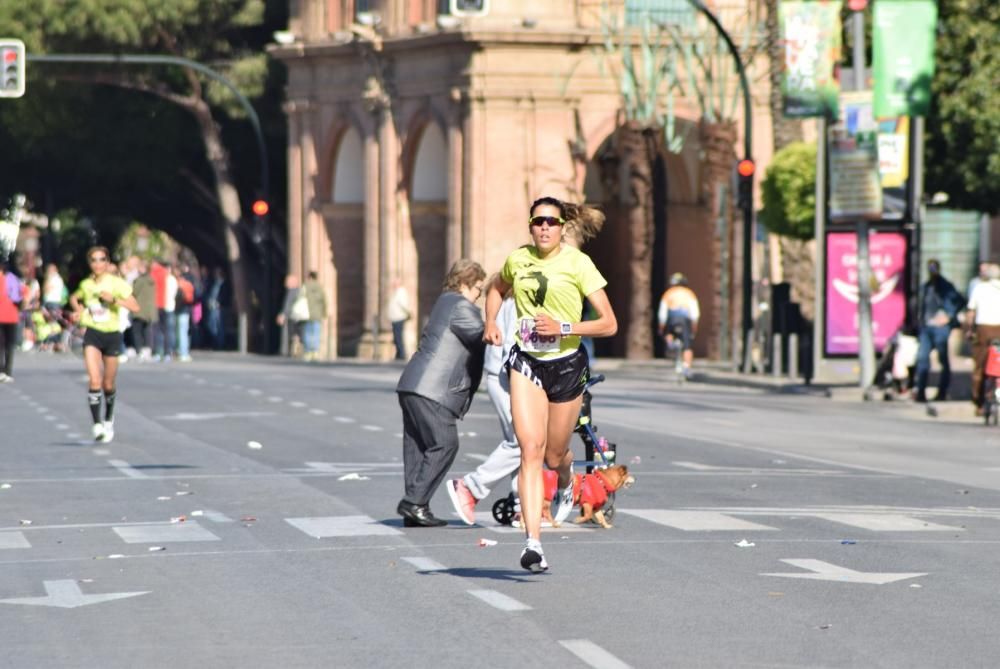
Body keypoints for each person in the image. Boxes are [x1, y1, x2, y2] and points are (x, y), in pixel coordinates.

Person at [484, 196, 617, 572]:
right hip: (526, 361)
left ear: (562, 228)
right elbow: (495, 288)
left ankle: (565, 477)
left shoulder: (578, 263)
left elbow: (609, 323)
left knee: (553, 455)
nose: (544, 228)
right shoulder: (518, 260)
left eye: (552, 223)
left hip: (567, 365)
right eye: (538, 222)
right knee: (531, 449)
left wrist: (564, 327)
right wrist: (491, 323)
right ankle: (533, 544)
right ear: (530, 226)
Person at [396, 259, 486, 527]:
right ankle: (414, 502)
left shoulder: (444, 301)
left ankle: (415, 506)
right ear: (465, 282)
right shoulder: (460, 306)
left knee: (418, 447)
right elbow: (484, 336)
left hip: (413, 384)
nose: (479, 294)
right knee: (445, 443)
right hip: (433, 388)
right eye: (479, 288)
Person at [445, 284, 520, 525]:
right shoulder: (516, 304)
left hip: (504, 374)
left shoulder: (507, 302)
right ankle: (471, 486)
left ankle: (521, 502)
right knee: (521, 441)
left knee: (525, 444)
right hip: (508, 376)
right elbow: (511, 345)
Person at [68, 247, 140, 443]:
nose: (97, 263)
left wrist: (114, 299)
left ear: (107, 262)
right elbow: (75, 298)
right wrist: (79, 312)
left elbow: (135, 306)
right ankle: (97, 424)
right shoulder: (86, 284)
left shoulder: (116, 283)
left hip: (112, 335)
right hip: (92, 333)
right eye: (93, 260)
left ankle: (108, 417)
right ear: (89, 263)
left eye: (101, 260)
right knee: (94, 380)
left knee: (108, 383)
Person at [913, 259, 964, 403]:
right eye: (930, 268)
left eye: (934, 268)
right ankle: (921, 392)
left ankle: (942, 392)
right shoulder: (926, 286)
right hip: (926, 327)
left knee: (943, 360)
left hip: (940, 329)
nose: (932, 271)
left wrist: (949, 316)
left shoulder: (946, 286)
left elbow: (960, 301)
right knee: (922, 358)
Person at [965, 262, 1000, 415]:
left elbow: (971, 313)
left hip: (983, 330)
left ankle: (978, 402)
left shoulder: (980, 288)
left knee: (979, 366)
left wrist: (969, 330)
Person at [657, 272, 700, 378]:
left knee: (668, 332)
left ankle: (670, 343)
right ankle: (687, 367)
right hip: (685, 319)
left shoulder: (668, 293)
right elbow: (695, 312)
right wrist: (694, 327)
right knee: (687, 346)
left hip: (672, 318)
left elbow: (662, 313)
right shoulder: (689, 293)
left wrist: (661, 327)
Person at [131, 260, 158, 361]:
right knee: (147, 331)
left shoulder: (139, 280)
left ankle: (139, 349)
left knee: (137, 331)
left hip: (139, 309)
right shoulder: (151, 280)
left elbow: (134, 292)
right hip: (149, 310)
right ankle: (148, 349)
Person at [0, 261, 22, 382]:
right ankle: (7, 372)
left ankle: (1, 371)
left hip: (2, 317)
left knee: (1, 346)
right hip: (12, 317)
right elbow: (25, 292)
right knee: (9, 346)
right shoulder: (13, 279)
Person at [276, 274, 306, 356]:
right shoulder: (302, 291)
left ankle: (295, 349)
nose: (285, 284)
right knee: (300, 332)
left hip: (294, 316)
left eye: (288, 282)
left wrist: (283, 315)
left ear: (294, 282)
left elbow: (288, 304)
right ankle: (300, 348)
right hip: (303, 315)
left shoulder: (292, 291)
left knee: (293, 333)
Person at [301, 270, 327, 361]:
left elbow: (300, 299)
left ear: (310, 277)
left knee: (307, 333)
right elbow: (324, 302)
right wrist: (324, 313)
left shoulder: (305, 287)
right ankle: (315, 351)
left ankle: (308, 352)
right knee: (316, 333)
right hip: (317, 315)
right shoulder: (320, 288)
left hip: (307, 314)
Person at [386, 277, 411, 360]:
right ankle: (398, 354)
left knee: (398, 336)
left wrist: (408, 313)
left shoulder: (401, 292)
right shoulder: (397, 292)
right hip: (395, 317)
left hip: (399, 317)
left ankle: (401, 354)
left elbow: (403, 304)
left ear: (399, 283)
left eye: (395, 283)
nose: (393, 284)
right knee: (396, 337)